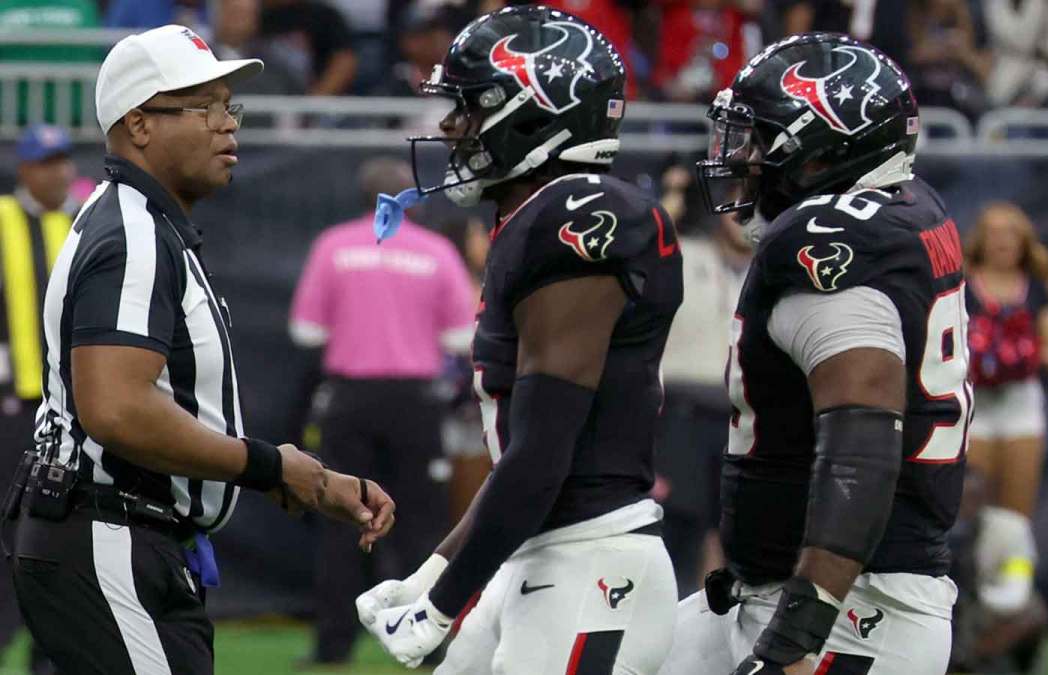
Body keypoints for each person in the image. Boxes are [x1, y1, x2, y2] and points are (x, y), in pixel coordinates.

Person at [3, 25, 394, 674]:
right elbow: (117, 408)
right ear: (139, 125)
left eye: (227, 107)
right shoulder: (131, 233)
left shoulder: (146, 225)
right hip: (109, 533)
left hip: (123, 533)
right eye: (202, 106)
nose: (226, 125)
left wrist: (302, 473)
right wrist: (269, 467)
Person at [355, 7, 684, 673]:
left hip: (592, 562)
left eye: (469, 107)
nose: (450, 127)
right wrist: (433, 572)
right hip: (548, 553)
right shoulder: (540, 217)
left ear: (532, 116)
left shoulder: (576, 219)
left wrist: (443, 602)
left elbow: (541, 451)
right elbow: (523, 458)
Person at [662, 33, 968, 675]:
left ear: (821, 144)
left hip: (847, 613)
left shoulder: (832, 240)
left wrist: (795, 638)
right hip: (786, 591)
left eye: (759, 136)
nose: (741, 156)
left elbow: (862, 451)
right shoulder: (909, 203)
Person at [288, 158, 476, 666]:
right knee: (424, 525)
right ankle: (429, 644)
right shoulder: (436, 252)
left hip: (349, 399)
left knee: (340, 522)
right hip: (415, 401)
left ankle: (331, 647)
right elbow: (462, 337)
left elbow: (308, 333)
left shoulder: (334, 245)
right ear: (410, 201)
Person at [0, 123, 78, 675]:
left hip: (68, 410)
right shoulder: (2, 218)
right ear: (25, 169)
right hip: (9, 403)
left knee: (57, 530)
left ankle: (47, 652)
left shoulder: (82, 221)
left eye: (63, 161)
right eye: (46, 163)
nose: (59, 172)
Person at [656, 163, 751, 597]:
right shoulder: (684, 254)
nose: (742, 217)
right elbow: (639, 245)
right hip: (681, 414)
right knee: (679, 529)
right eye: (733, 207)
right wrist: (673, 196)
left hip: (742, 418)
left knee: (738, 532)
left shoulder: (768, 270)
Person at [963, 202, 1048, 520]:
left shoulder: (1035, 289)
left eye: (1010, 232)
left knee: (1015, 517)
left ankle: (1015, 570)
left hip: (1020, 406)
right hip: (975, 407)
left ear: (1023, 240)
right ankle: (971, 569)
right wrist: (980, 359)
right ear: (980, 240)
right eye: (993, 232)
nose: (1001, 241)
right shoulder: (962, 287)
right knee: (971, 510)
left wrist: (1015, 356)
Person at [947, 470, 1047, 674]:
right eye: (959, 498)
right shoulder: (926, 526)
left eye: (972, 498)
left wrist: (975, 596)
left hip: (984, 607)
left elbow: (1017, 590)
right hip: (935, 599)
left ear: (984, 499)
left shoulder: (1012, 529)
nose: (965, 506)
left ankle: (968, 659)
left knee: (1032, 613)